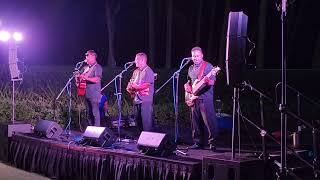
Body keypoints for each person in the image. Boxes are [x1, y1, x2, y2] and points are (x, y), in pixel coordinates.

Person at [184, 47, 218, 150]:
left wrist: (207, 81)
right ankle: (198, 142)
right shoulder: (190, 68)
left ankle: (213, 143)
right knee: (195, 121)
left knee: (209, 121)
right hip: (194, 98)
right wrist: (187, 88)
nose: (195, 58)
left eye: (197, 56)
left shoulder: (208, 66)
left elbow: (212, 82)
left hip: (205, 98)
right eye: (194, 56)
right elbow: (189, 82)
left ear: (202, 55)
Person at [126, 52, 154, 133]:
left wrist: (134, 87)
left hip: (145, 100)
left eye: (136, 59)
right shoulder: (136, 71)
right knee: (138, 121)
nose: (135, 61)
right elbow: (132, 82)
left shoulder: (148, 71)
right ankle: (140, 139)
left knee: (146, 122)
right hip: (137, 99)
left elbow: (146, 85)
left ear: (142, 60)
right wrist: (129, 88)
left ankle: (148, 141)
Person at [76, 50, 103, 126]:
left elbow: (97, 79)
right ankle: (90, 130)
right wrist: (77, 77)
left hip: (94, 94)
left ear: (93, 57)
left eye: (88, 56)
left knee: (95, 113)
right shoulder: (86, 67)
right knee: (89, 113)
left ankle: (96, 130)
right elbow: (80, 76)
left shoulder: (97, 67)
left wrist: (86, 78)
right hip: (87, 93)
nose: (86, 58)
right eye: (86, 56)